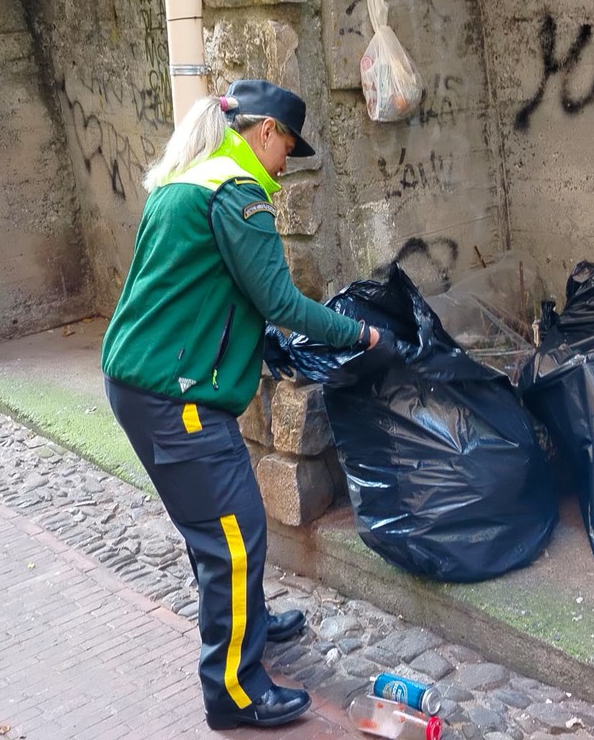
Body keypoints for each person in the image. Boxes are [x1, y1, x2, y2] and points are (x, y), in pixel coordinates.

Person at [101, 79, 384, 730]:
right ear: (266, 132)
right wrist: (365, 336)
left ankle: (247, 622)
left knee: (222, 525)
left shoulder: (187, 181)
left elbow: (204, 291)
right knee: (232, 539)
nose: (285, 167)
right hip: (176, 397)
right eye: (287, 148)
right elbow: (281, 300)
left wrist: (261, 344)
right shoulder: (238, 194)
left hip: (146, 384)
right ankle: (234, 691)